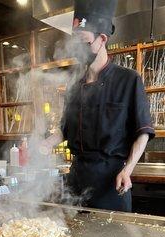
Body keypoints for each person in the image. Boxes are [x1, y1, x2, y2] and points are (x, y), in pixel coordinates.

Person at [42, 0, 155, 212]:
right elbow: (64, 129)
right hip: (76, 179)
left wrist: (128, 170)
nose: (78, 50)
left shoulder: (128, 80)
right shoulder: (74, 85)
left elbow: (143, 132)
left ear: (102, 39)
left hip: (112, 181)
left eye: (83, 43)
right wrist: (45, 145)